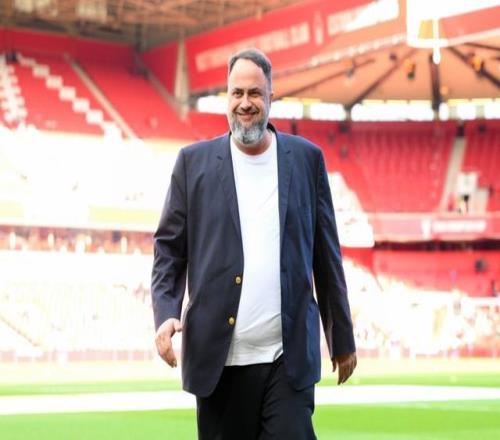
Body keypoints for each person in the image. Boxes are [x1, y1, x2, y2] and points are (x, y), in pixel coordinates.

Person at [152, 48, 356, 440]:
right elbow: (168, 249)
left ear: (270, 98)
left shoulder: (307, 160)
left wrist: (341, 337)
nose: (245, 103)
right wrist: (165, 313)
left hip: (287, 361)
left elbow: (326, 255)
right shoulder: (192, 164)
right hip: (219, 365)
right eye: (237, 93)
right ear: (227, 98)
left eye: (255, 93)